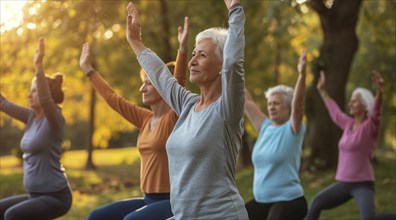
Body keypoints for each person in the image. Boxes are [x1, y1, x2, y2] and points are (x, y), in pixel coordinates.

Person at [126, 0, 248, 219]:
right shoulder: (187, 105)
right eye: (193, 53)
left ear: (221, 65)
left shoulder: (227, 110)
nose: (192, 61)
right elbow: (162, 76)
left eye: (202, 55)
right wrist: (135, 41)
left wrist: (236, 12)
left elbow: (234, 64)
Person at [80, 17, 189, 220]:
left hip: (174, 201)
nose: (142, 88)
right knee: (96, 216)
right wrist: (89, 70)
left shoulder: (174, 115)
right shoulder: (145, 119)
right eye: (143, 82)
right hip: (148, 198)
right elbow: (113, 99)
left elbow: (179, 81)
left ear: (163, 85)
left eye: (148, 83)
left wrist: (182, 49)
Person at [0, 38, 72, 220]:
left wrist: (38, 66)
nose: (28, 95)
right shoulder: (32, 116)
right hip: (35, 195)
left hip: (56, 197)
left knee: (12, 215)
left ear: (43, 93)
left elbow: (47, 102)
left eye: (33, 91)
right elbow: (3, 103)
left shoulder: (55, 118)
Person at [306, 70, 387, 220]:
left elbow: (377, 111)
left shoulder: (370, 127)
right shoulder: (348, 125)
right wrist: (322, 91)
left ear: (365, 106)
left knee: (369, 218)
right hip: (344, 184)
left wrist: (380, 92)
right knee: (316, 203)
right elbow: (335, 112)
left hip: (363, 184)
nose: (350, 103)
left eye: (355, 101)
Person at [244, 50, 308, 220]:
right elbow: (247, 102)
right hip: (261, 201)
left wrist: (301, 76)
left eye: (277, 104)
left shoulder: (293, 128)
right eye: (270, 103)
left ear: (288, 108)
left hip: (289, 201)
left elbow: (299, 105)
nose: (271, 107)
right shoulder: (265, 127)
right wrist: (231, 67)